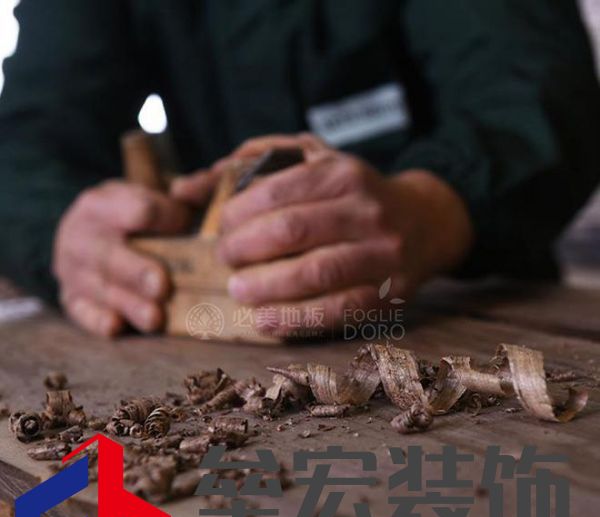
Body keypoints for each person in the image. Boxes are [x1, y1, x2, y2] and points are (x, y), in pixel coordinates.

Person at [0, 0, 599, 338]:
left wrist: (433, 209)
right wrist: (59, 230)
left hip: (463, 314)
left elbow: (538, 90)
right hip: (213, 331)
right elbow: (25, 143)